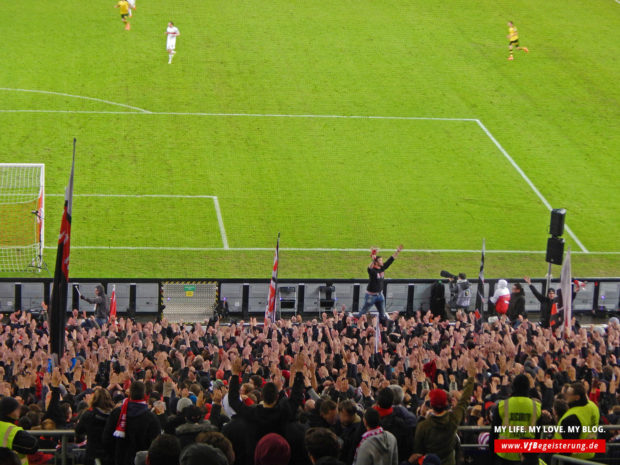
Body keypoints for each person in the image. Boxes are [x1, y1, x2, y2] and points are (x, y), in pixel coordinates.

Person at [413, 358, 476, 465]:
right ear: (447, 404)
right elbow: (464, 401)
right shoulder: (452, 419)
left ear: (431, 405)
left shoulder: (423, 426)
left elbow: (418, 451)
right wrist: (471, 378)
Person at [102, 381, 161, 465]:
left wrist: (114, 456)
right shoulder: (151, 418)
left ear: (129, 394)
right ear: (145, 396)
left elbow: (106, 439)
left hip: (119, 460)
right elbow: (155, 446)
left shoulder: (116, 413)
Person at [491, 374, 542, 465]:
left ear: (513, 387)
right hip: (527, 455)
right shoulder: (536, 407)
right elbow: (538, 434)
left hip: (504, 454)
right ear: (528, 387)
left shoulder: (503, 405)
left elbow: (494, 433)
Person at [554, 382, 600, 461]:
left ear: (577, 397)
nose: (566, 396)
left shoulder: (572, 416)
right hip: (590, 453)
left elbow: (568, 447)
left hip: (573, 458)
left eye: (568, 394)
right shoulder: (593, 406)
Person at [357, 245, 404, 323]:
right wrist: (373, 259)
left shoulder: (382, 267)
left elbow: (390, 260)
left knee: (383, 314)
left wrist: (397, 252)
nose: (382, 262)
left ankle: (383, 328)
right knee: (363, 312)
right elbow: (369, 268)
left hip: (380, 295)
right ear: (376, 263)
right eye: (380, 261)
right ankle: (355, 324)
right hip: (371, 296)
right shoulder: (373, 271)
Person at [75, 387, 115, 465]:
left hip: (92, 454)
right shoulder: (114, 415)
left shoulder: (88, 414)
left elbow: (78, 430)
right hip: (109, 455)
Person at [0, 397, 38, 464]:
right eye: (17, 408)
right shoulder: (11, 430)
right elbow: (33, 445)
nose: (19, 410)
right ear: (10, 411)